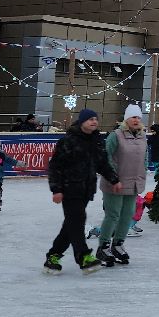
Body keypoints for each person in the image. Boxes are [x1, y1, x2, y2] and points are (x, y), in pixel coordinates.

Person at [43, 109, 121, 274]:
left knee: (70, 225)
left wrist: (114, 179)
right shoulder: (68, 141)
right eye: (90, 119)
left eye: (95, 119)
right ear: (82, 121)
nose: (94, 122)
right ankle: (84, 256)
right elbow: (55, 167)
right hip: (69, 188)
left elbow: (102, 164)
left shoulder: (97, 141)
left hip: (86, 189)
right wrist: (56, 190)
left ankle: (53, 257)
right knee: (77, 221)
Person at [95, 105, 147, 267]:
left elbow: (144, 158)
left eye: (138, 117)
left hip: (134, 183)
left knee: (127, 215)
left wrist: (143, 172)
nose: (136, 120)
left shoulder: (142, 137)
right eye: (133, 117)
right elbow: (106, 157)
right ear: (126, 119)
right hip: (115, 182)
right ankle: (103, 247)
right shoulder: (115, 136)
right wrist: (112, 176)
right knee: (113, 214)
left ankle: (118, 244)